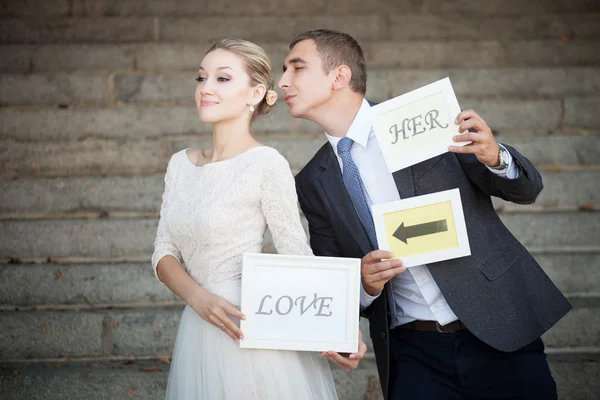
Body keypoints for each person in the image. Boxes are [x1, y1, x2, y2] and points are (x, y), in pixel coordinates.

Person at [279, 29, 572, 399]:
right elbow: (337, 277)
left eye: (296, 68)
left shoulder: (419, 120)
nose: (283, 81)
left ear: (339, 76)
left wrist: (495, 156)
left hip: (499, 324)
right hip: (412, 353)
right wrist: (366, 285)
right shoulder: (311, 182)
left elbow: (526, 189)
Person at [151, 38, 366, 400]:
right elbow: (162, 251)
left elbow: (296, 253)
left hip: (250, 327)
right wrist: (197, 297)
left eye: (222, 79)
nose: (205, 88)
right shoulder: (180, 164)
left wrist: (341, 328)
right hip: (199, 325)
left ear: (254, 94)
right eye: (201, 78)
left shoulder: (266, 163)